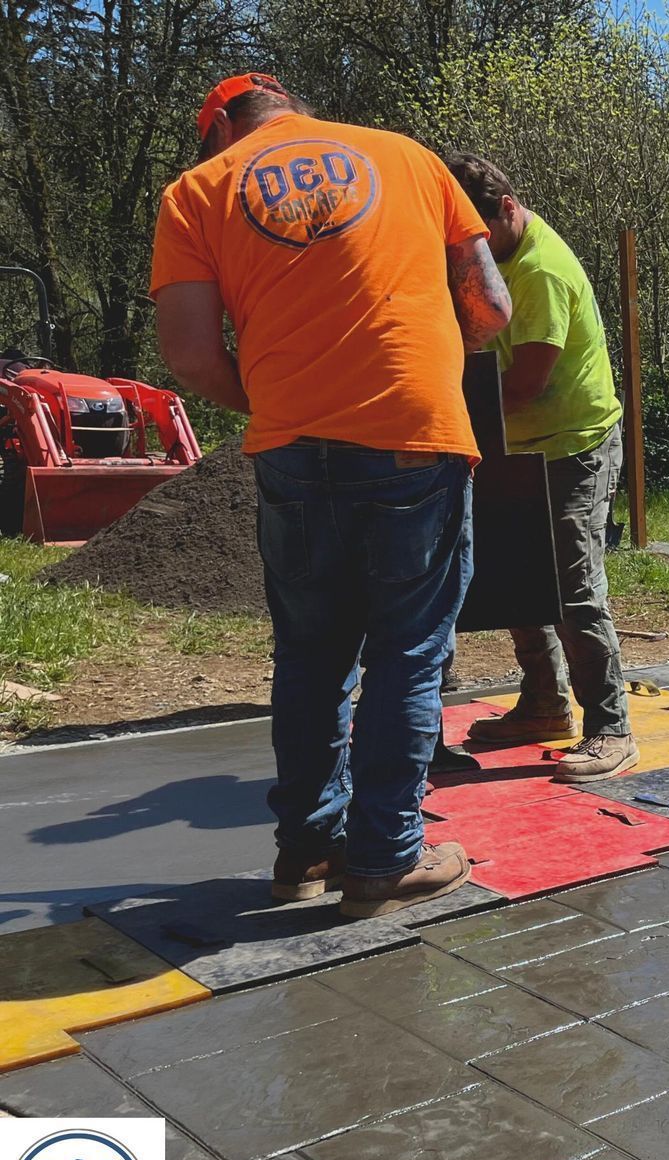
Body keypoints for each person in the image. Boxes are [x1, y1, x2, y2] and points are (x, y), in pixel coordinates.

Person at [150, 74, 512, 918]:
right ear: (292, 105)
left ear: (220, 128)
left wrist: (278, 402)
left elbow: (192, 356)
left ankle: (307, 852)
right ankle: (385, 860)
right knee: (408, 651)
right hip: (413, 434)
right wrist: (419, 357)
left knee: (311, 655)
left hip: (292, 449)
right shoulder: (410, 159)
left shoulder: (196, 192)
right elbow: (491, 307)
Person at [442, 153, 637, 782]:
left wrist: (447, 411)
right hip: (516, 442)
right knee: (520, 572)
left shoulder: (541, 270)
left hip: (573, 443)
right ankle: (545, 704)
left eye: (478, 233)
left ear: (508, 208)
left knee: (573, 588)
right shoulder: (488, 256)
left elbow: (527, 382)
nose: (468, 248)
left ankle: (611, 729)